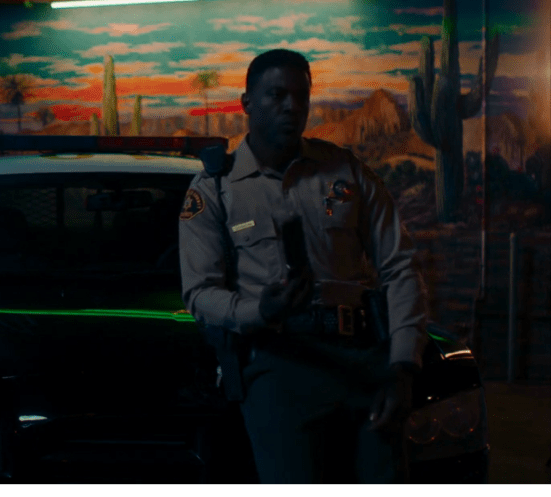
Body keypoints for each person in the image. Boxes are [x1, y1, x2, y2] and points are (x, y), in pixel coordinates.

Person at [179, 49, 428, 483]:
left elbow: (400, 267)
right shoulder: (215, 189)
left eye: (301, 96)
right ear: (247, 103)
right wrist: (260, 310)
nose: (292, 107)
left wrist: (403, 367)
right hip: (279, 364)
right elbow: (200, 294)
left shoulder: (346, 171)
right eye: (277, 95)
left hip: (363, 360)